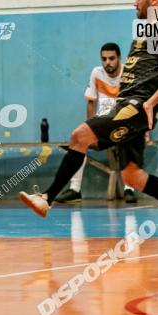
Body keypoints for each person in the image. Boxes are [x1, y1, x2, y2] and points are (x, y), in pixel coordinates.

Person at [20, 0, 158, 238]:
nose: (135, 2)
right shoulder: (146, 29)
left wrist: (151, 103)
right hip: (129, 106)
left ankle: (47, 198)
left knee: (79, 136)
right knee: (132, 176)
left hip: (134, 107)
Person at [54, 42, 137, 204]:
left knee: (128, 141)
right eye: (104, 59)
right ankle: (75, 189)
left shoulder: (129, 73)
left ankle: (129, 189)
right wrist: (90, 128)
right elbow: (91, 103)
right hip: (102, 125)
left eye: (111, 59)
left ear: (119, 58)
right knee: (79, 141)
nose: (108, 63)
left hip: (124, 124)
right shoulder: (96, 73)